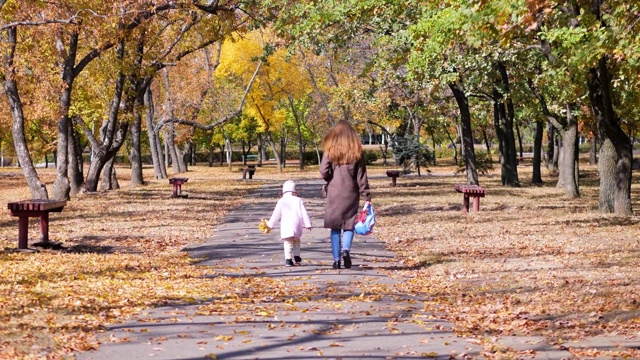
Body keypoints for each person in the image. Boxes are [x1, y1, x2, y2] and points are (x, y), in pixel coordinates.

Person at [320, 120, 371, 269]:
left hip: (335, 193)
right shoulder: (357, 151)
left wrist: (329, 178)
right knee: (349, 225)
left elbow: (324, 171)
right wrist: (366, 196)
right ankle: (346, 251)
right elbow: (362, 176)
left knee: (335, 227)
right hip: (351, 192)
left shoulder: (330, 149)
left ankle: (336, 260)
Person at [266, 180, 312, 267]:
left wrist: (270, 225)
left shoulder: (281, 201)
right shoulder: (298, 200)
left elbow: (276, 214)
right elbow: (304, 212)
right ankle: (297, 257)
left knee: (288, 242)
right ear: (294, 190)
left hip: (286, 225)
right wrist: (307, 224)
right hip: (297, 224)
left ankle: (288, 260)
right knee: (296, 241)